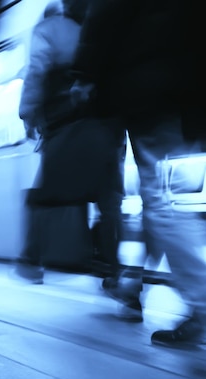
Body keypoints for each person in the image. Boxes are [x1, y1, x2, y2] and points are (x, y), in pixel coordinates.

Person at [71, 0, 206, 347]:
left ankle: (202, 306)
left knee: (164, 201)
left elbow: (106, 13)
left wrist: (85, 74)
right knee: (176, 199)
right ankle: (132, 285)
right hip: (190, 86)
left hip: (155, 89)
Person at [14, 0, 125, 286]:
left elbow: (36, 70)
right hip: (108, 124)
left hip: (66, 122)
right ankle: (111, 268)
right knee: (109, 198)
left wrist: (28, 113)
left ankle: (31, 258)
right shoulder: (112, 24)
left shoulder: (50, 28)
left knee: (44, 195)